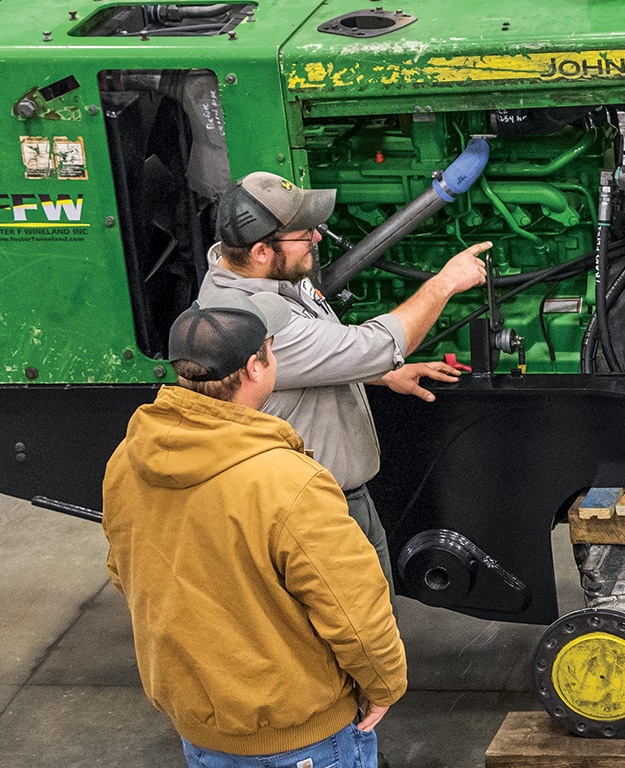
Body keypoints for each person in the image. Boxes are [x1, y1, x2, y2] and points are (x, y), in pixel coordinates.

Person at [102, 293, 407, 768]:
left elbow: (127, 573)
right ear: (254, 369)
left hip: (202, 732)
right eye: (272, 349)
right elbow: (352, 609)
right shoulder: (288, 481)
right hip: (303, 741)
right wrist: (384, 683)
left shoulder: (126, 461)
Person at [199, 171, 491, 589]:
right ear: (262, 250)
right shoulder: (251, 316)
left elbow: (316, 360)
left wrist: (387, 375)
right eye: (304, 235)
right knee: (359, 635)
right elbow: (365, 346)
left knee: (373, 620)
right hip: (312, 513)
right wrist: (443, 285)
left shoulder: (266, 279)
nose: (317, 240)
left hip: (340, 498)